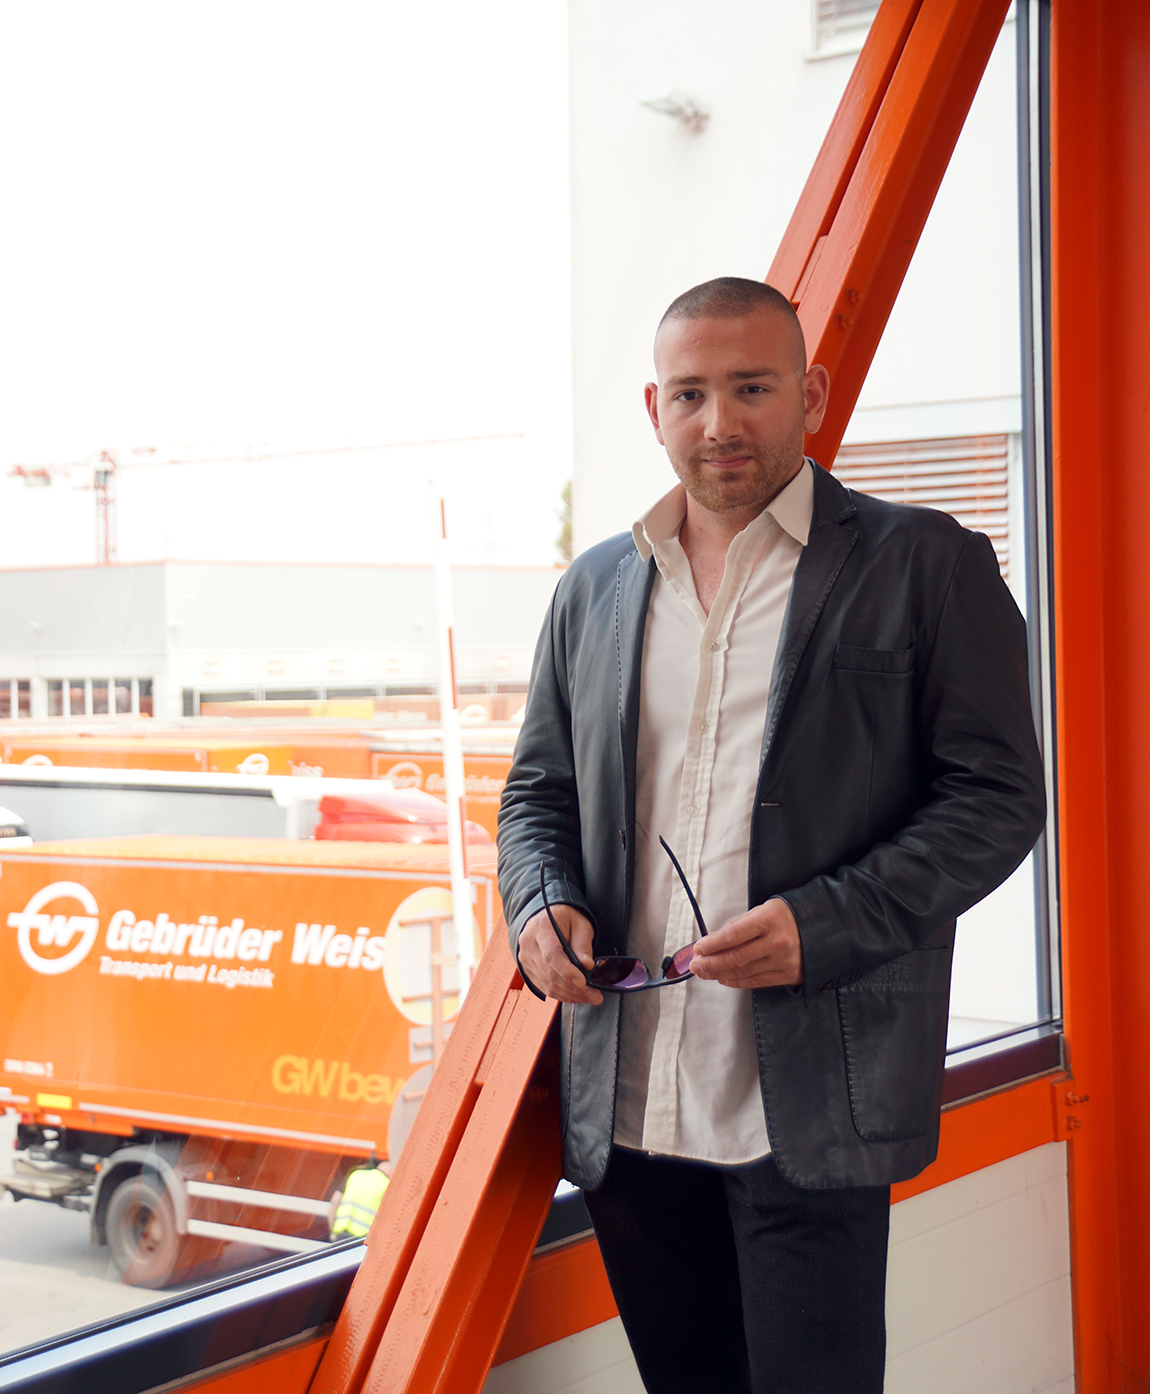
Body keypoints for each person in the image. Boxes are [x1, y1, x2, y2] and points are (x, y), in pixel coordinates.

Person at [496, 277, 1045, 1394]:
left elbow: (995, 798)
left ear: (811, 392)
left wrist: (822, 923)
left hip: (812, 1098)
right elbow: (535, 793)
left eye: (750, 387)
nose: (719, 422)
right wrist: (535, 897)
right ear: (655, 408)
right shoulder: (593, 586)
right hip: (630, 1109)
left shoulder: (927, 563)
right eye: (690, 394)